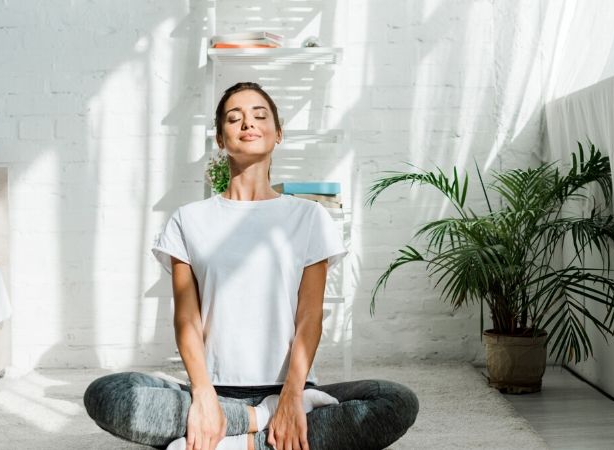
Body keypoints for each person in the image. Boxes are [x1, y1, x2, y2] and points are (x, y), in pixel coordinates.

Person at [83, 82, 419, 450]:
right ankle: (260, 424)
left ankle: (240, 435)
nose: (248, 123)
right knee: (108, 394)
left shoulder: (309, 217)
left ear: (278, 133)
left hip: (292, 387)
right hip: (215, 390)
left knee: (394, 400)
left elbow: (310, 317)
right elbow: (186, 320)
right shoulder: (188, 220)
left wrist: (292, 394)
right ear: (220, 138)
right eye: (234, 118)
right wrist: (204, 395)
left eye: (260, 115)